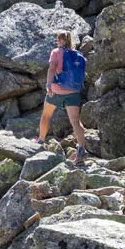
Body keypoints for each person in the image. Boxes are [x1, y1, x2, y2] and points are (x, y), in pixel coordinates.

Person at [38, 30, 88, 162]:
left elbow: (52, 68)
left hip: (57, 91)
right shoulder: (78, 55)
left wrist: (48, 84)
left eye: (59, 39)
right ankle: (81, 150)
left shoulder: (56, 52)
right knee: (76, 122)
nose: (57, 41)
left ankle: (40, 142)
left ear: (63, 41)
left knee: (46, 115)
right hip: (74, 93)